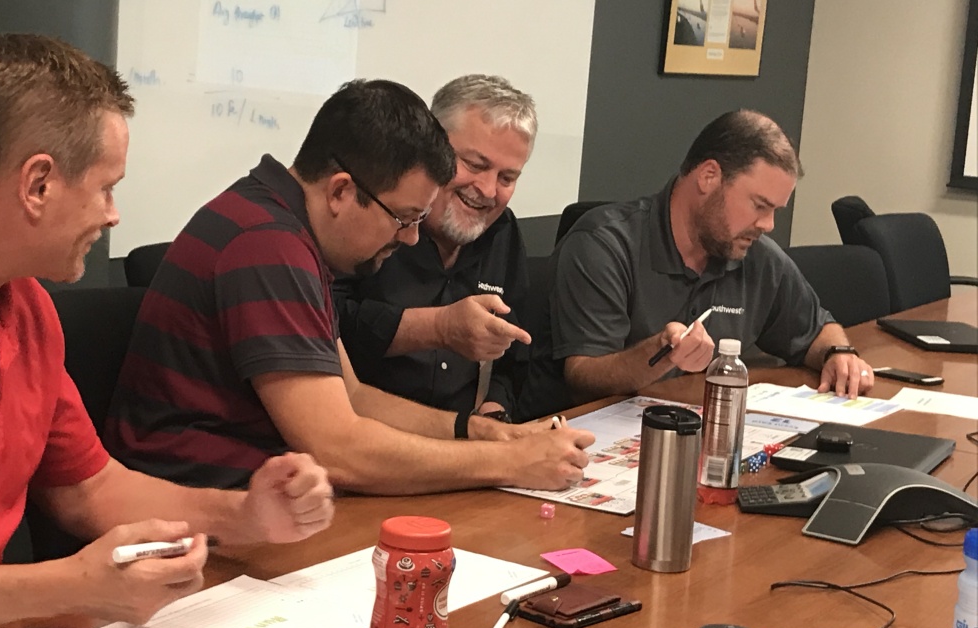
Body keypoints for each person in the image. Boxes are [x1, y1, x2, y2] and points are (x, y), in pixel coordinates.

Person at [0, 33, 334, 628]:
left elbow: (88, 490)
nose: (113, 215)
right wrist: (69, 587)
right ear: (37, 185)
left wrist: (248, 516)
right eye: (106, 187)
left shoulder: (27, 309)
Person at [105, 79, 592, 497]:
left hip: (259, 497)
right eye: (403, 218)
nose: (410, 238)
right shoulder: (267, 245)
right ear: (341, 191)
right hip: (190, 510)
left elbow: (354, 399)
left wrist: (479, 433)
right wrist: (510, 464)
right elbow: (339, 451)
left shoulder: (287, 228)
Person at [519, 109, 874, 419]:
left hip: (695, 429)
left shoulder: (756, 255)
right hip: (580, 441)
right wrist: (662, 353)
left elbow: (816, 330)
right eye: (759, 205)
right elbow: (584, 380)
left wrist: (838, 353)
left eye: (775, 211)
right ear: (709, 177)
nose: (768, 225)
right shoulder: (604, 244)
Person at [333, 74, 535, 422]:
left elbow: (513, 355)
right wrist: (438, 327)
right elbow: (327, 326)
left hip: (469, 439)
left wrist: (494, 412)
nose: (488, 190)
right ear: (432, 148)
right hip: (368, 432)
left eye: (507, 178)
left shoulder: (503, 232)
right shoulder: (372, 212)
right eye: (475, 165)